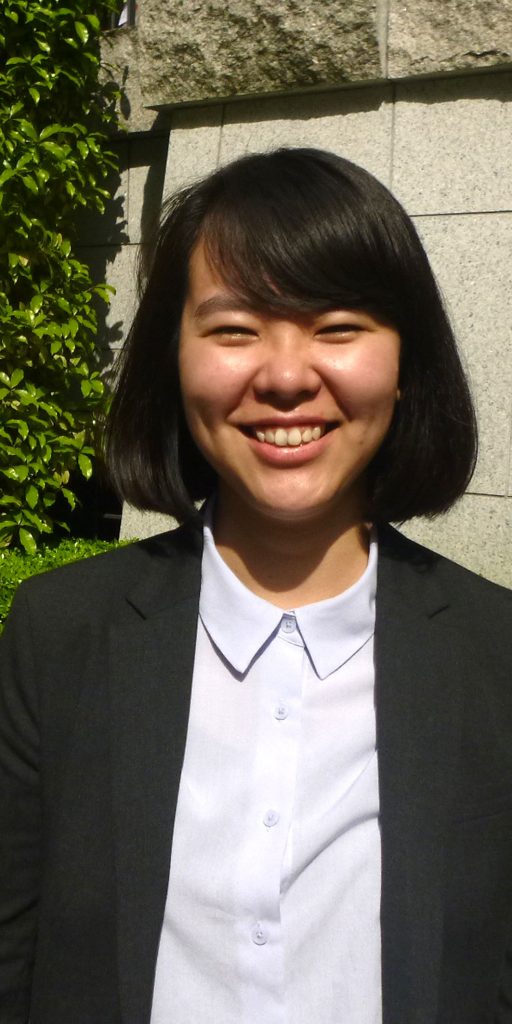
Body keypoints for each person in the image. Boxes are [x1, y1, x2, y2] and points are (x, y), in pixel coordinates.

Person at [1, 147, 511, 1024]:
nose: (283, 376)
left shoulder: (494, 653)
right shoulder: (61, 634)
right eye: (235, 329)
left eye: (338, 326)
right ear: (173, 358)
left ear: (406, 364)